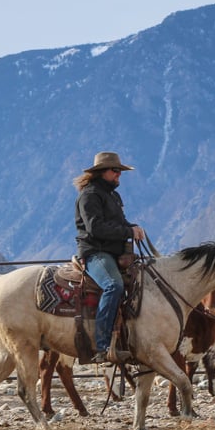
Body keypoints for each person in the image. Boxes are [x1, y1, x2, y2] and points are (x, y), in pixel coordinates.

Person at [74, 151, 145, 364]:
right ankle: (102, 346)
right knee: (113, 286)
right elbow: (95, 228)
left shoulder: (112, 195)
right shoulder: (90, 195)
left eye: (120, 171)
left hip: (114, 252)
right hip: (96, 252)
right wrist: (127, 232)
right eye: (115, 171)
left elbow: (119, 222)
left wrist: (131, 227)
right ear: (103, 172)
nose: (119, 175)